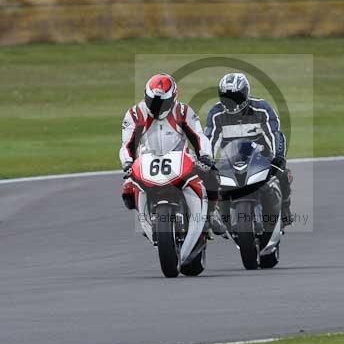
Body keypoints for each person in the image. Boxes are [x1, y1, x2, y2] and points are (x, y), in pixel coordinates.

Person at [119, 73, 220, 237]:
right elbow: (127, 145)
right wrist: (128, 164)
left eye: (162, 102)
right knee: (127, 192)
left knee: (211, 175)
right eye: (153, 101)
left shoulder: (183, 111)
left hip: (181, 159)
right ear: (146, 95)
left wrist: (206, 157)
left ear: (173, 98)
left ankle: (211, 213)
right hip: (147, 162)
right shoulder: (134, 115)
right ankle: (147, 217)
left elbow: (198, 136)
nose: (157, 106)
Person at [205, 72, 292, 231]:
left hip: (261, 157)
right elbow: (209, 139)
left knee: (283, 172)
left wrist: (277, 158)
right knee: (206, 178)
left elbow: (273, 133)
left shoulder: (262, 109)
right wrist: (207, 161)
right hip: (229, 160)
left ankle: (285, 209)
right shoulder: (216, 114)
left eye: (236, 97)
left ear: (246, 94)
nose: (231, 103)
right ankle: (211, 215)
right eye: (226, 97)